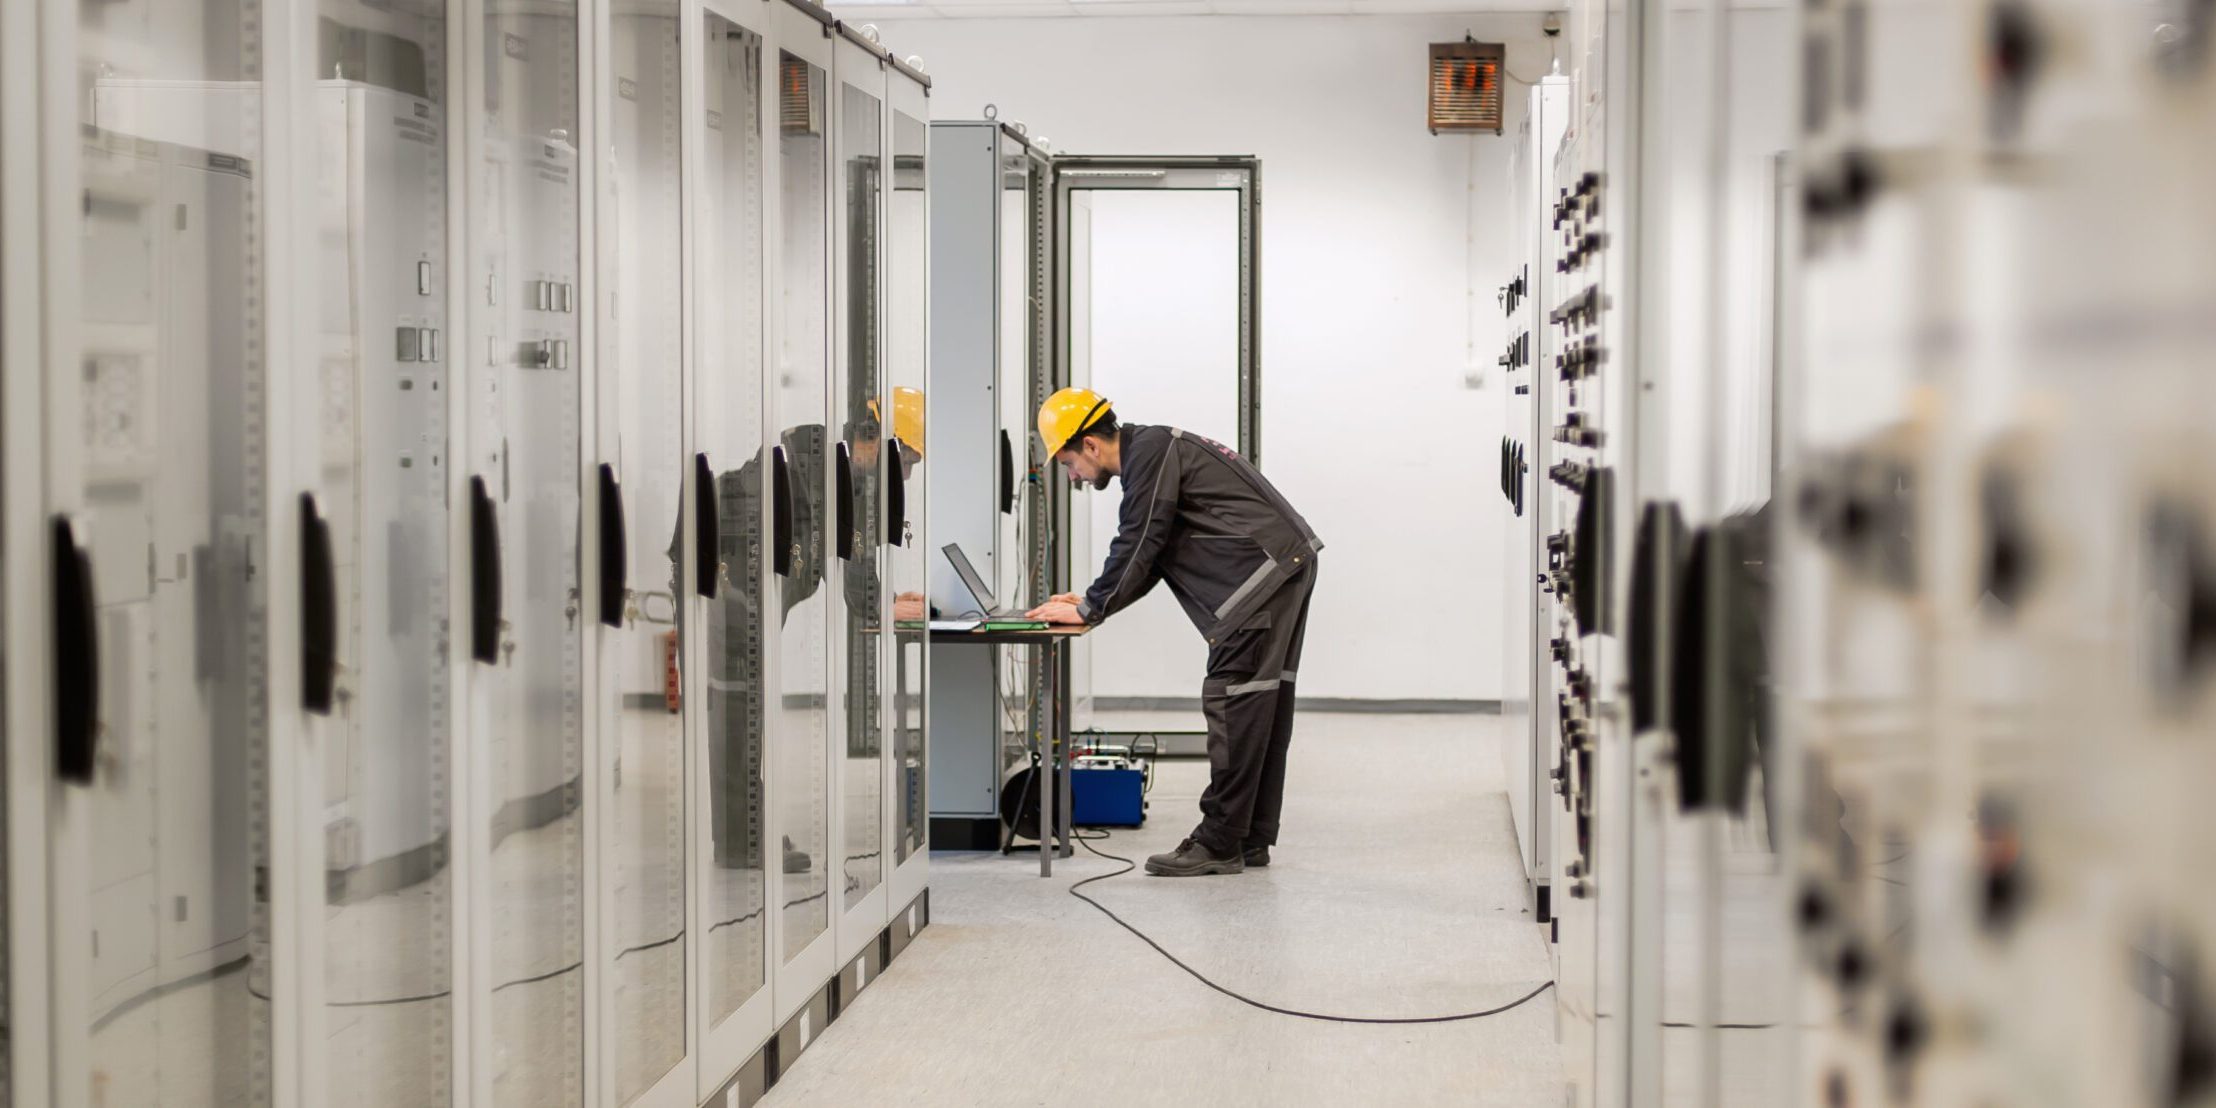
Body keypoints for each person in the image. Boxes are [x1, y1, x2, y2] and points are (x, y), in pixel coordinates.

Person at [1026, 388, 1323, 877]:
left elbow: (1138, 541)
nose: (1073, 476)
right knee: (1260, 706)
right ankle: (1248, 838)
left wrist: (1092, 607)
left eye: (1068, 463)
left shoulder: (1150, 455)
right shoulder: (1155, 450)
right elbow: (1151, 555)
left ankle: (1219, 842)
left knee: (1235, 703)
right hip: (1281, 568)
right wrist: (1089, 602)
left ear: (1092, 446)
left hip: (1258, 578)